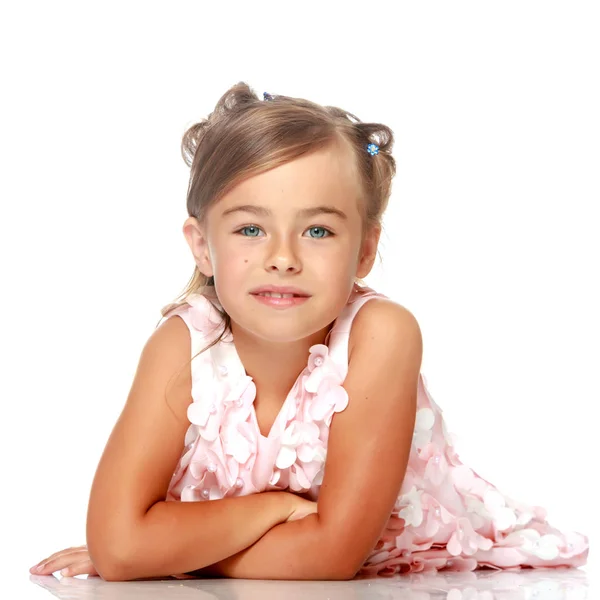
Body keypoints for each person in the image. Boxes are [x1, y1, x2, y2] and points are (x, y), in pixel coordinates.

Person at [30, 83, 589, 581]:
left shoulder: (381, 335)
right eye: (251, 228)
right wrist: (270, 510)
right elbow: (120, 545)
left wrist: (164, 551)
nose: (282, 258)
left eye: (318, 230)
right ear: (202, 245)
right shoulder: (183, 345)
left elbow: (332, 557)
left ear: (365, 249)